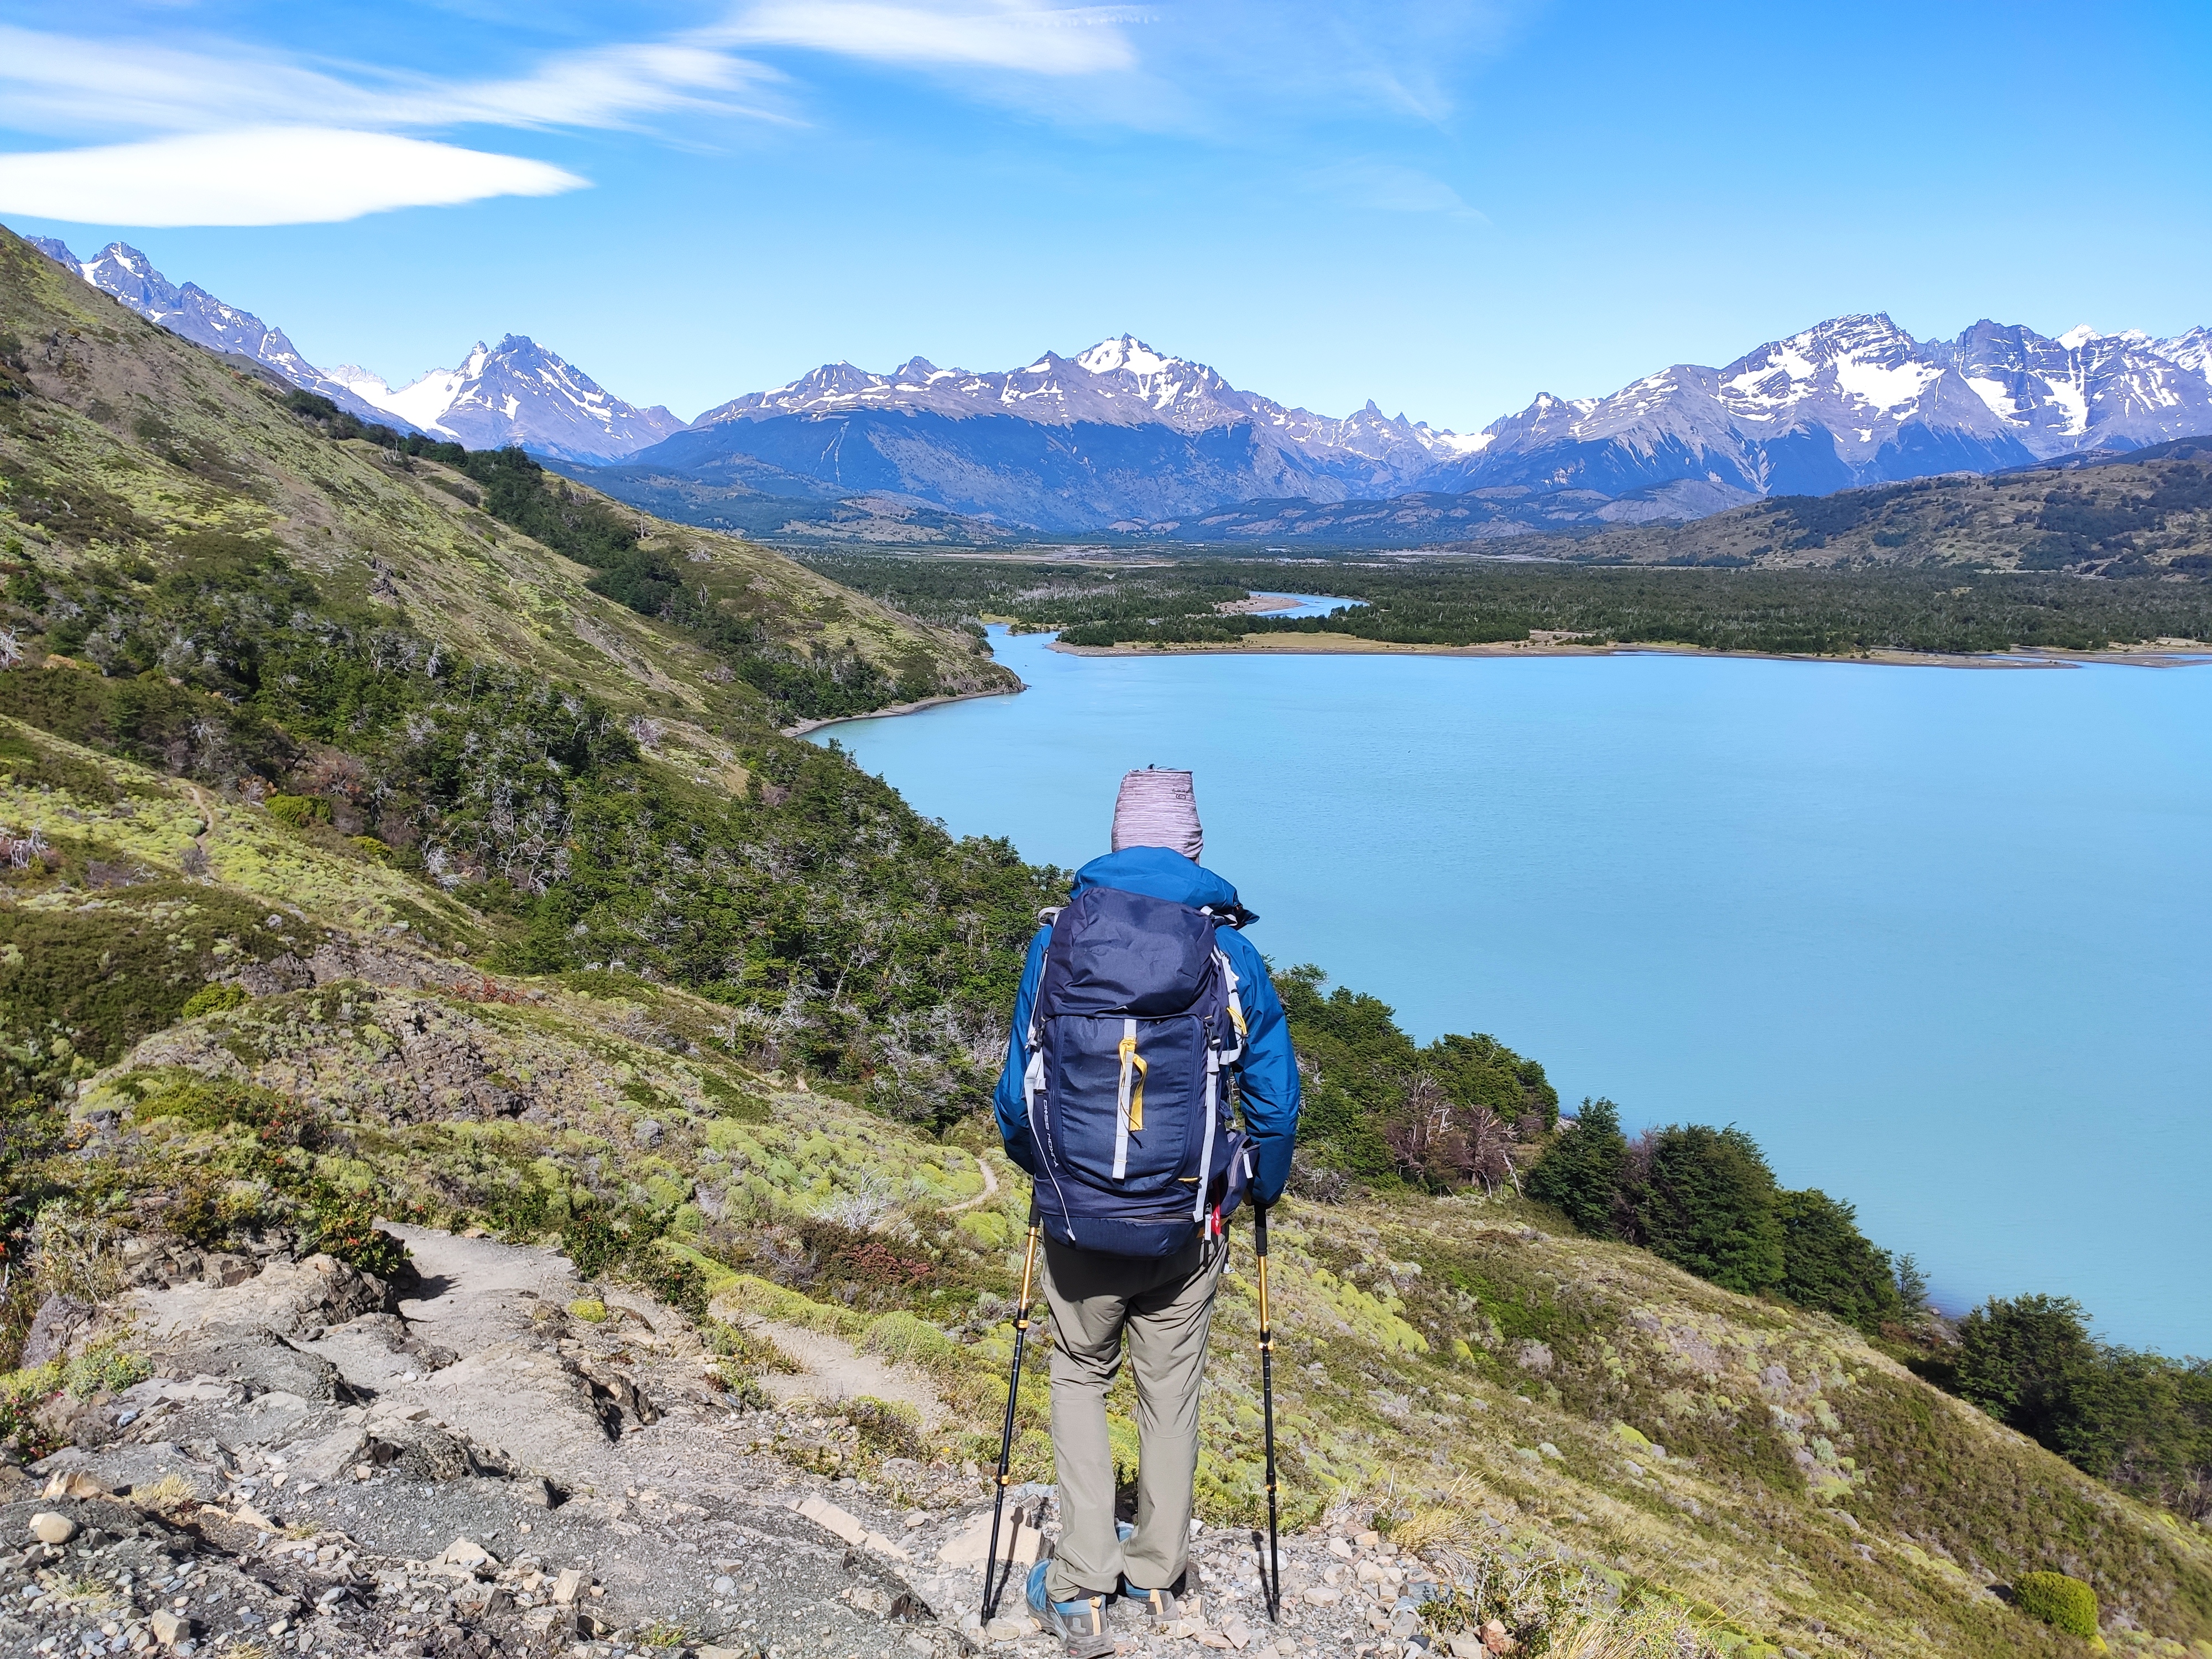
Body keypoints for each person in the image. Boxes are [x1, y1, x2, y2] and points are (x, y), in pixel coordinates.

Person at [993, 768, 1301, 1656]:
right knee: (1170, 1390)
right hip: (1188, 1224)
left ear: (1117, 841)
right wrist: (1259, 1186)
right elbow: (1276, 1102)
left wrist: (1049, 1176)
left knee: (1079, 1374)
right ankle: (1157, 1573)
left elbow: (1017, 1095)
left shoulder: (1056, 942)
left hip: (1078, 1219)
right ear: (1193, 848)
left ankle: (1080, 1581)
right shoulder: (1228, 956)